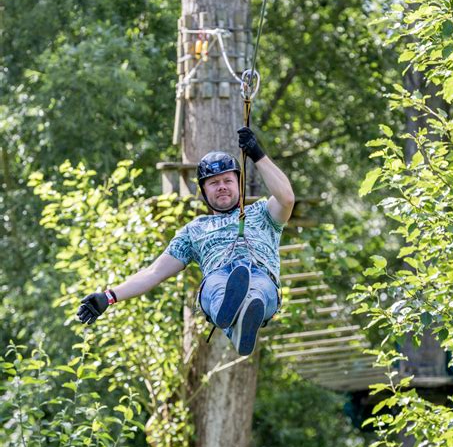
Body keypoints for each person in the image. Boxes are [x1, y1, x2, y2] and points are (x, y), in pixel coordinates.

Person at [77, 127, 294, 356]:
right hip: (217, 279)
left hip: (262, 278)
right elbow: (154, 272)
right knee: (219, 286)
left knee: (256, 292)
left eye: (227, 180)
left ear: (238, 185)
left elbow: (287, 198)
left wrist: (257, 153)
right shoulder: (194, 230)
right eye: (213, 182)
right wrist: (108, 296)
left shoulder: (263, 213)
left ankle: (241, 323)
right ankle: (229, 313)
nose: (221, 186)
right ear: (203, 190)